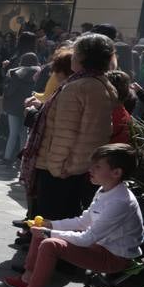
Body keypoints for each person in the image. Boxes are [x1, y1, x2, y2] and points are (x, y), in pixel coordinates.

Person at [0, 144, 143, 287]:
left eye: (97, 166)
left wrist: (48, 232)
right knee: (47, 231)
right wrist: (50, 224)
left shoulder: (120, 202)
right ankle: (27, 279)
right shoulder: (105, 190)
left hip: (114, 258)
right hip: (97, 246)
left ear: (116, 173)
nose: (90, 169)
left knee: (49, 242)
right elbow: (83, 222)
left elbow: (86, 238)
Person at [21, 33, 117, 220]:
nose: (72, 56)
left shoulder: (76, 88)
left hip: (59, 169)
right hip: (80, 166)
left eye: (75, 53)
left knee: (50, 222)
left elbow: (65, 133)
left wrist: (56, 168)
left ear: (83, 58)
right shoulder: (100, 83)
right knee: (67, 219)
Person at [2, 52, 41, 163]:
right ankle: (22, 160)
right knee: (24, 134)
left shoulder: (14, 73)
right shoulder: (39, 73)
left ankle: (7, 157)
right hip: (30, 106)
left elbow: (9, 91)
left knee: (13, 133)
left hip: (14, 106)